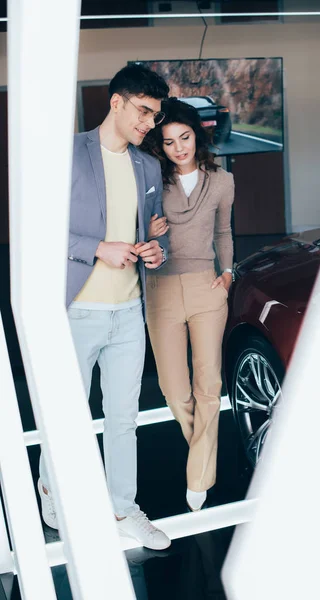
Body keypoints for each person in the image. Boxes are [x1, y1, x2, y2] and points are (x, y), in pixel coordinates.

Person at [37, 64, 171, 550]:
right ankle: (51, 485)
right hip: (76, 309)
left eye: (155, 116)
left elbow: (153, 232)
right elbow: (37, 231)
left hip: (128, 312)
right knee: (67, 413)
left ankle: (122, 507)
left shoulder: (148, 166)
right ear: (116, 102)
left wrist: (157, 252)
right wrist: (96, 247)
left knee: (123, 417)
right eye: (143, 111)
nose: (149, 123)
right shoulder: (66, 154)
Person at [144, 97, 234, 512]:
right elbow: (128, 231)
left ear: (197, 135)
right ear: (159, 147)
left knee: (209, 383)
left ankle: (198, 474)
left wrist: (228, 273)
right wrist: (148, 230)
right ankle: (206, 453)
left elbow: (223, 232)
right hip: (160, 288)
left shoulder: (221, 181)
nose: (179, 148)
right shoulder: (150, 180)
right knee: (174, 389)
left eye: (185, 137)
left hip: (205, 286)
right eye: (168, 142)